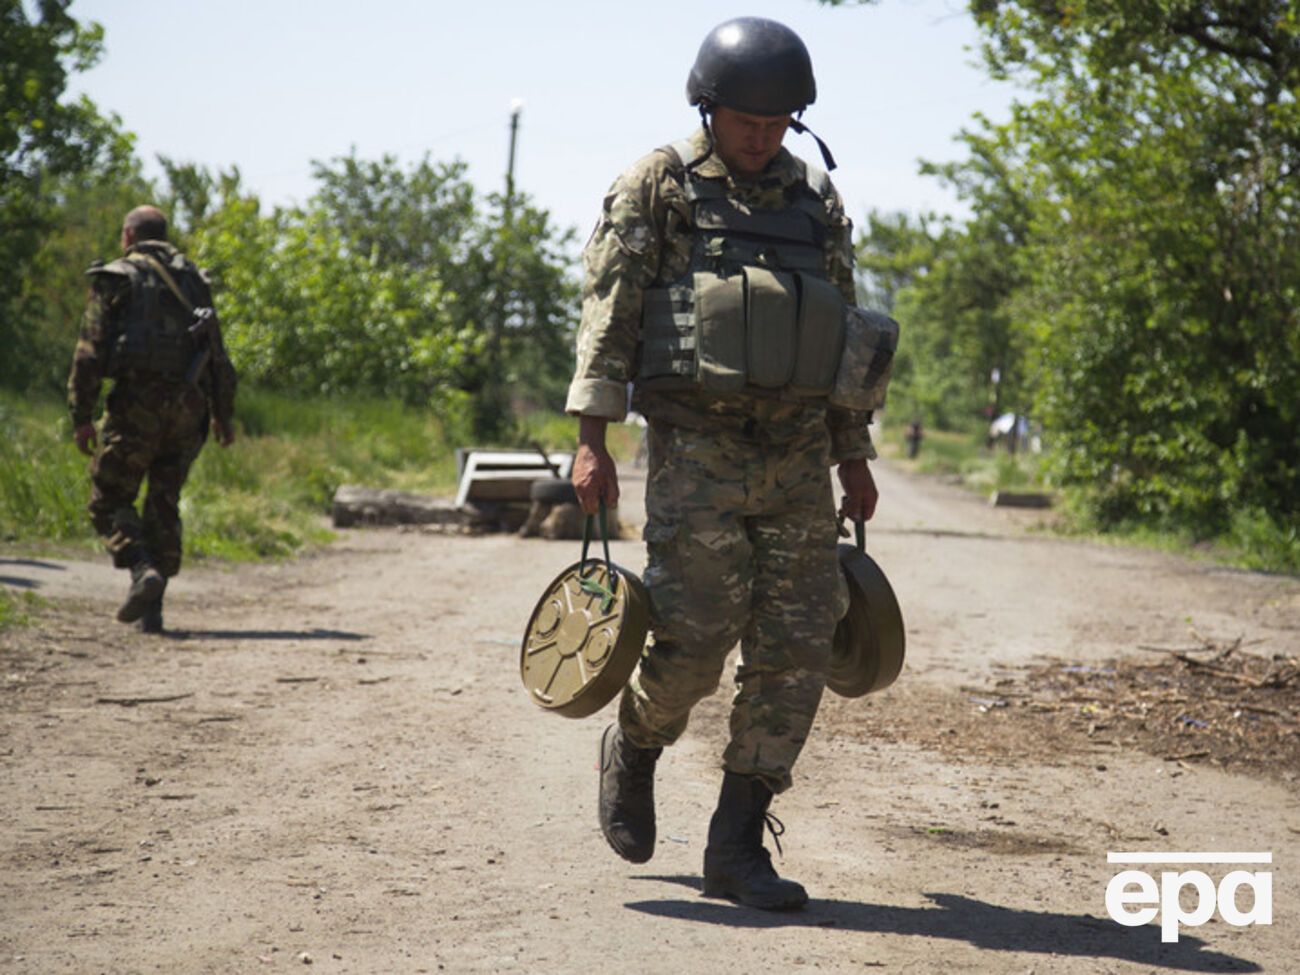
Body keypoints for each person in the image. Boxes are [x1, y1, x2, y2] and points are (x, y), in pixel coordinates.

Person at [567, 17, 889, 910]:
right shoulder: (660, 186)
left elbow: (845, 335)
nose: (762, 134)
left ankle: (736, 842)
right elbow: (609, 315)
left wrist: (852, 454)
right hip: (695, 450)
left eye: (779, 120)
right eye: (747, 118)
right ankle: (635, 741)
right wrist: (590, 441)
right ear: (709, 108)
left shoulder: (814, 200)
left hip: (794, 455)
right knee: (694, 641)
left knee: (796, 646)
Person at [67, 205, 238, 634]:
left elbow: (89, 353)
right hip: (188, 409)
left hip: (135, 408)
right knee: (164, 502)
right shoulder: (194, 279)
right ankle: (153, 610)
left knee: (108, 497)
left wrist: (82, 416)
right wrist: (222, 414)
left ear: (128, 236)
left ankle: (142, 569)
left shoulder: (117, 277)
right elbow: (218, 354)